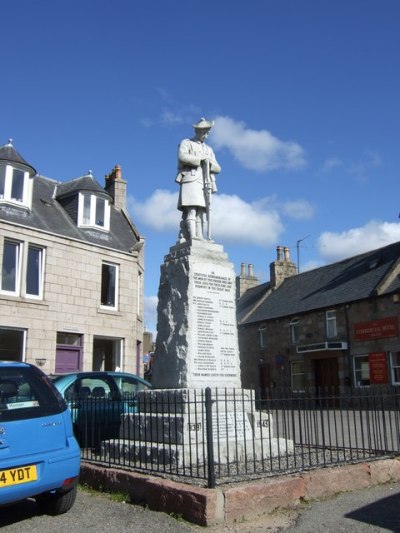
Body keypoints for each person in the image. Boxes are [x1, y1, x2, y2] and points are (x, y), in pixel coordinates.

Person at [175, 118, 221, 241]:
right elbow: (182, 156)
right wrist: (200, 159)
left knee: (201, 212)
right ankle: (192, 236)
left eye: (207, 133)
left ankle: (200, 236)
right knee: (191, 210)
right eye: (203, 132)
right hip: (190, 178)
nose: (205, 136)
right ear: (197, 131)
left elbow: (218, 168)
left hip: (204, 182)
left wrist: (209, 163)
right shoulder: (187, 143)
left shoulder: (209, 149)